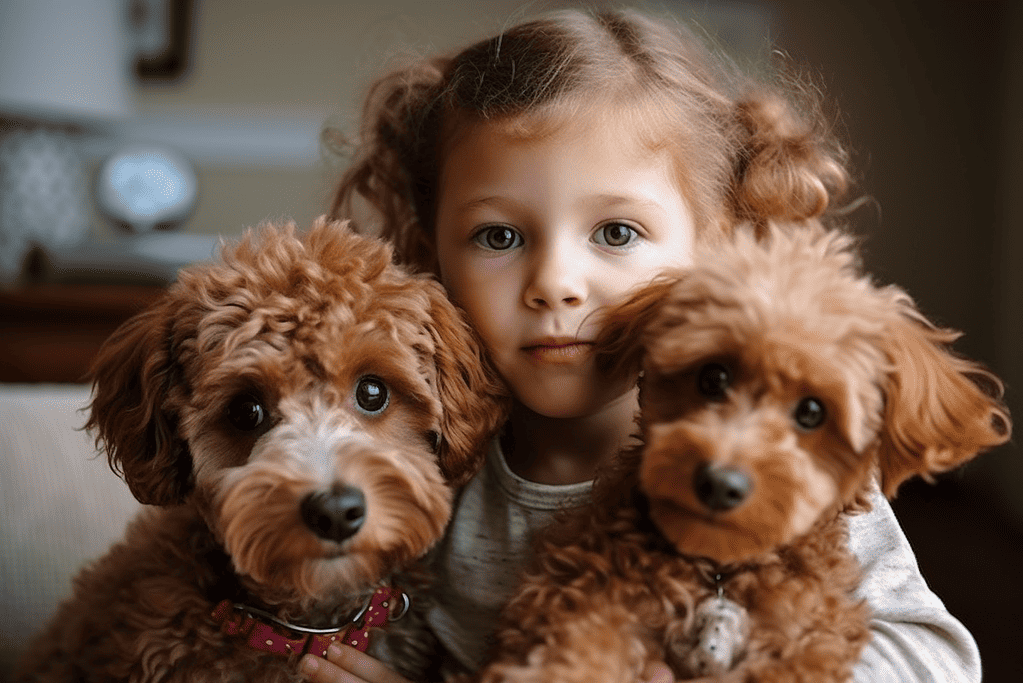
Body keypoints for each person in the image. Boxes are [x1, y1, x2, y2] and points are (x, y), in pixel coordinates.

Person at [300, 7, 981, 683]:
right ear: (432, 252)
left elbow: (941, 661)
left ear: (718, 250)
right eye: (499, 236)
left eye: (616, 233)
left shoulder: (795, 459)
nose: (555, 284)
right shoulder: (427, 459)